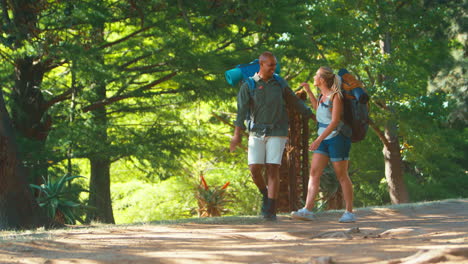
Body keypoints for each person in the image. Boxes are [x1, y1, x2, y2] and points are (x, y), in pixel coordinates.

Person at [230, 51, 313, 220]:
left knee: (272, 168)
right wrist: (236, 135)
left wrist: (310, 114)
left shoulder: (279, 82)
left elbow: (293, 101)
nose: (273, 68)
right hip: (257, 131)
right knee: (254, 168)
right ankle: (265, 194)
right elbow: (241, 112)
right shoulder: (249, 85)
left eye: (275, 65)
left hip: (278, 130)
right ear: (261, 65)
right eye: (270, 65)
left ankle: (270, 209)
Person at [291, 66, 356, 223]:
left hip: (337, 138)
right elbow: (318, 110)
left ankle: (349, 212)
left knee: (341, 175)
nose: (314, 78)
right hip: (323, 138)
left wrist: (318, 140)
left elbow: (334, 122)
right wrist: (309, 91)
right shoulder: (322, 96)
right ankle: (307, 209)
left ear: (322, 79)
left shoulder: (336, 97)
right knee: (314, 173)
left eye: (316, 76)